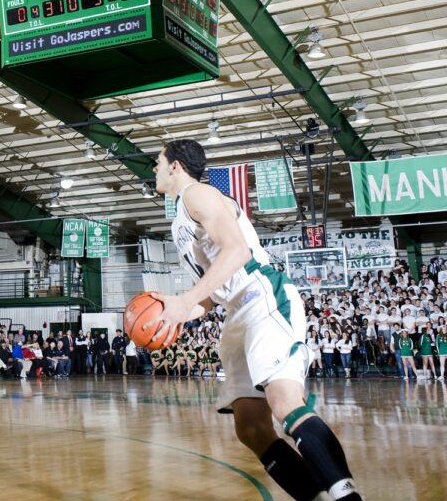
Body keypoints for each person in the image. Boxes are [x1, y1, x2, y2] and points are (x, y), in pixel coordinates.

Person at [147, 140, 361, 501]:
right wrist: (180, 314)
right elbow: (215, 294)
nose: (153, 168)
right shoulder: (180, 219)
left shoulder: (197, 194)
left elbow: (237, 252)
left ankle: (346, 495)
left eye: (157, 161)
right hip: (235, 309)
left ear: (175, 165)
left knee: (284, 402)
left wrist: (185, 300)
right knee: (251, 427)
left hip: (262, 294)